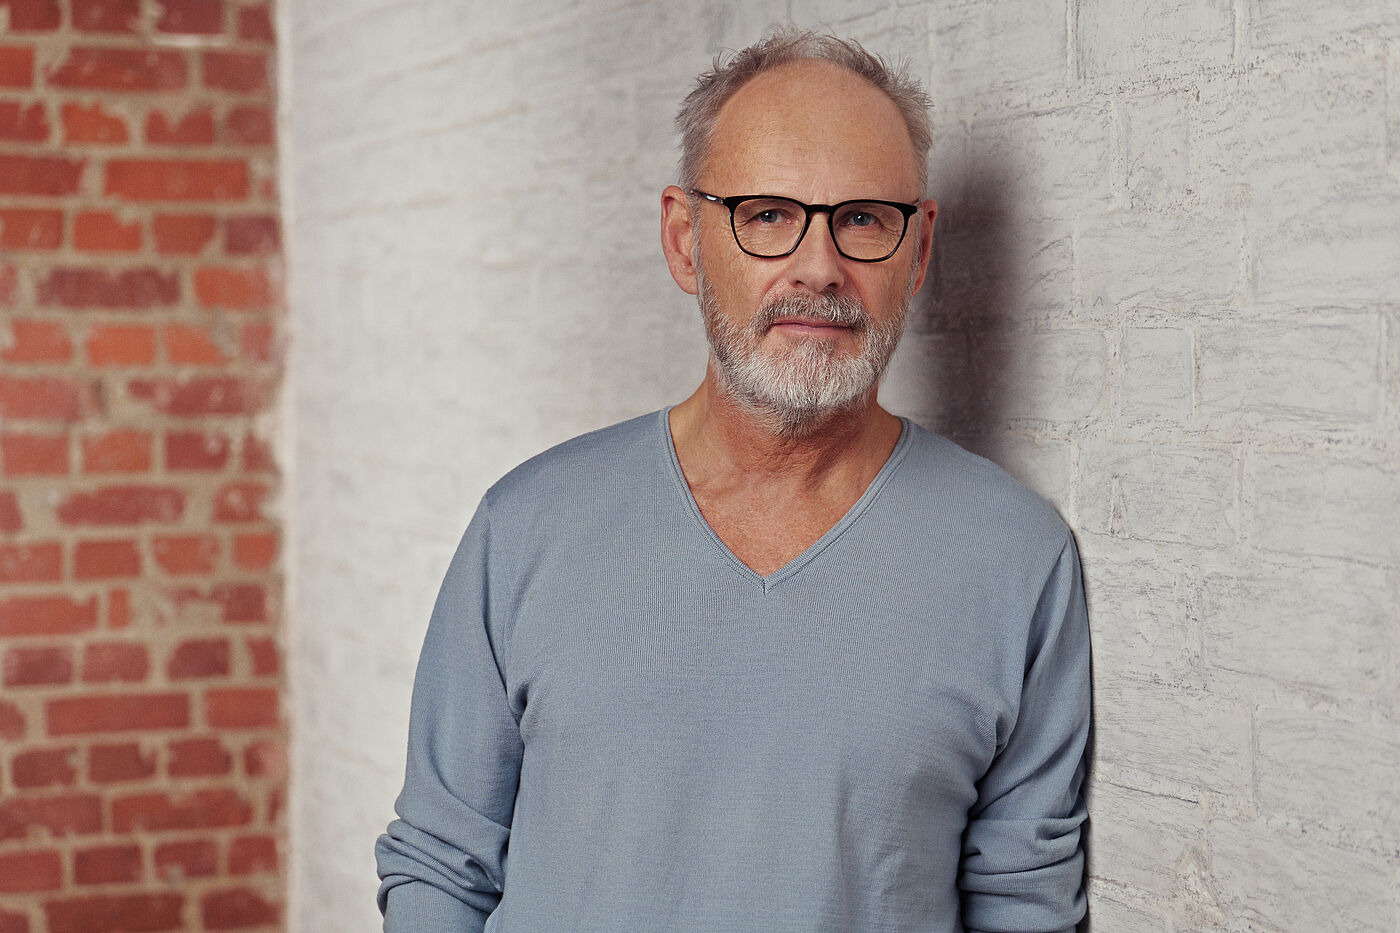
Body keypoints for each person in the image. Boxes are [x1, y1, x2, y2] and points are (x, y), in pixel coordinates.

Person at [376, 29, 1090, 933]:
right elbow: (443, 866)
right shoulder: (525, 529)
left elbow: (1025, 903)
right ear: (685, 241)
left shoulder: (1016, 559)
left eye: (864, 218)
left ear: (918, 252)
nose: (819, 267)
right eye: (768, 214)